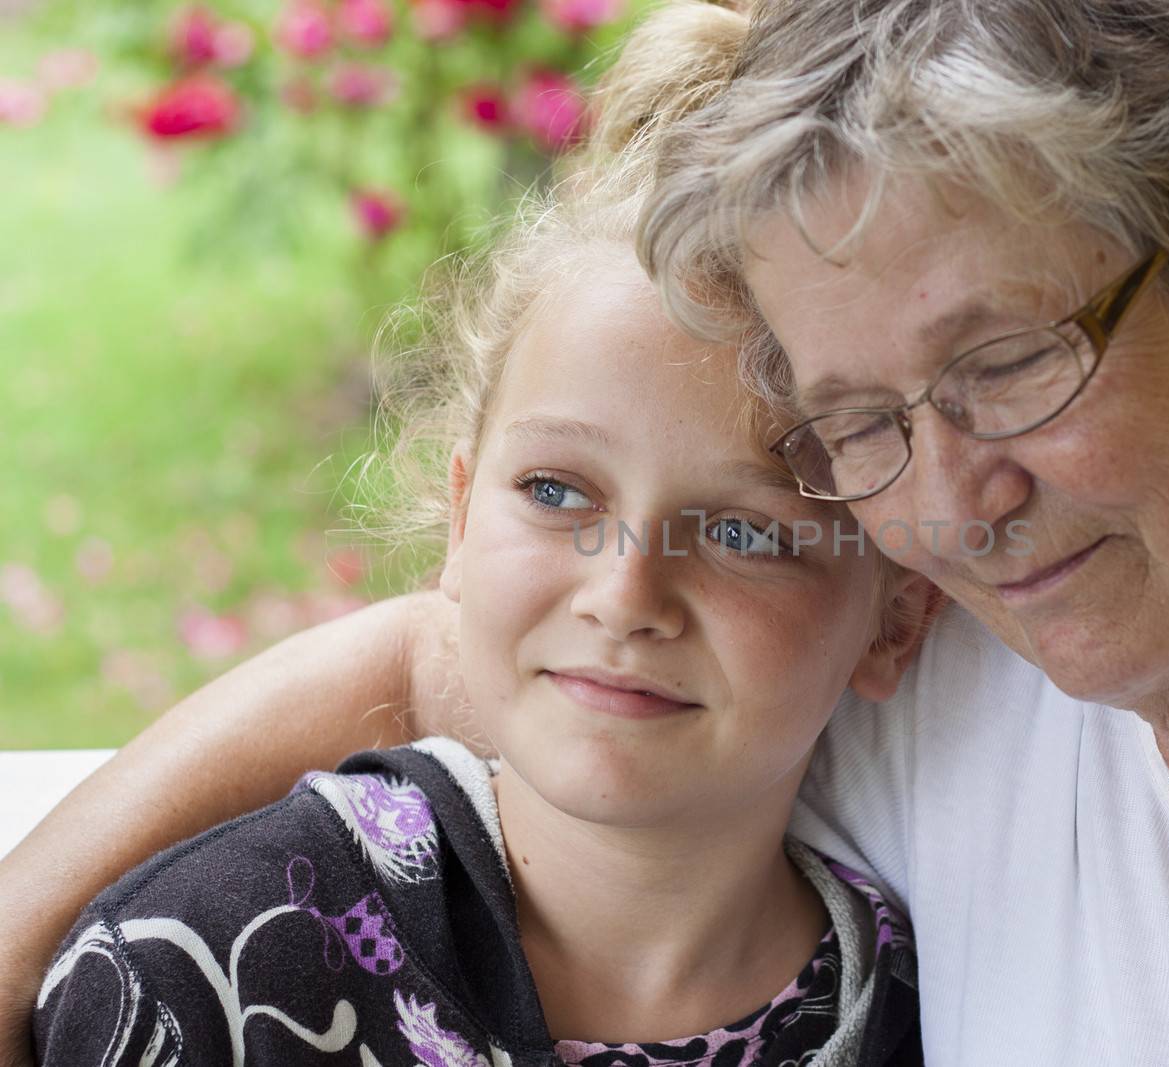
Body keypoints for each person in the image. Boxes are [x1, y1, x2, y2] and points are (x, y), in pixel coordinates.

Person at [5, 0, 1169, 1062]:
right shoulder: (971, 643)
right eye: (861, 421)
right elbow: (472, 648)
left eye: (1004, 361)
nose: (951, 503)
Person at [22, 17, 936, 1061]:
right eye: (555, 489)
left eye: (741, 530)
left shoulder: (926, 1007)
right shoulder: (201, 969)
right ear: (460, 517)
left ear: (897, 612)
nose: (625, 590)